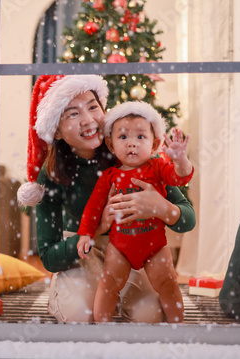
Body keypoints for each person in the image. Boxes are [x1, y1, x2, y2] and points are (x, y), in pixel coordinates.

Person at [17, 74, 196, 323]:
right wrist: (96, 227)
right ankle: (68, 290)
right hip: (82, 249)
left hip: (130, 245)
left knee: (151, 314)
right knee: (81, 314)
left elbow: (187, 219)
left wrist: (162, 207)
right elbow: (47, 256)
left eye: (93, 107)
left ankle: (112, 293)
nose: (88, 120)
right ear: (56, 130)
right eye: (73, 113)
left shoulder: (132, 151)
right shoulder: (53, 173)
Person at [76, 101, 193, 323]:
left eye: (140, 137)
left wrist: (180, 161)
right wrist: (85, 233)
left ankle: (179, 325)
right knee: (109, 281)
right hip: (120, 246)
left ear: (155, 143)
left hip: (155, 247)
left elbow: (179, 177)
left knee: (168, 282)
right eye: (123, 137)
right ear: (111, 145)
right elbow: (93, 207)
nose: (132, 144)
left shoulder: (158, 168)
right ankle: (102, 326)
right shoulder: (109, 176)